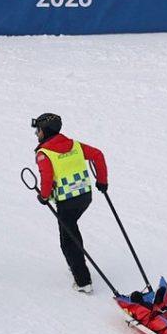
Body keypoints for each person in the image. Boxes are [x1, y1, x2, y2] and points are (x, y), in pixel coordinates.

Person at [32, 113, 108, 293]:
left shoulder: (44, 153)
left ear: (46, 131)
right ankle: (77, 265)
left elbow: (47, 177)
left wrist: (43, 196)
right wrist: (102, 181)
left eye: (38, 130)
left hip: (66, 201)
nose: (36, 134)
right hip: (85, 197)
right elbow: (98, 155)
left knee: (67, 240)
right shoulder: (75, 145)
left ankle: (83, 281)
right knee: (72, 229)